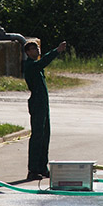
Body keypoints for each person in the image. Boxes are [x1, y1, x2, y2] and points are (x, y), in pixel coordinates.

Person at [23, 40, 66, 180]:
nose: (37, 50)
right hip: (37, 104)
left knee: (45, 135)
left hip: (43, 104)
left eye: (37, 48)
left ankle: (42, 167)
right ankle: (33, 169)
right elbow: (43, 62)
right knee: (37, 136)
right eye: (34, 49)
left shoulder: (37, 67)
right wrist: (57, 51)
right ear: (28, 52)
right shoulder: (30, 65)